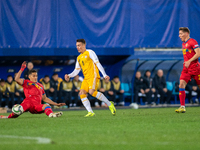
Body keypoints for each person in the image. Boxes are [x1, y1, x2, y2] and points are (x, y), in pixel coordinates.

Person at [65, 39, 116, 117]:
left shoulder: (90, 52)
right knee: (82, 93)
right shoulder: (79, 57)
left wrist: (104, 75)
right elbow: (76, 71)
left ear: (84, 45)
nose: (77, 47)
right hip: (86, 78)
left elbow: (98, 63)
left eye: (79, 45)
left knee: (91, 92)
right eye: (76, 46)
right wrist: (69, 75)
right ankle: (90, 112)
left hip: (93, 76)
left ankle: (109, 104)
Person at [0, 62, 65, 119]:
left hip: (37, 105)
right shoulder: (26, 82)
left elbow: (45, 98)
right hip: (27, 103)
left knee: (47, 106)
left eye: (36, 76)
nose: (35, 77)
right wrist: (22, 69)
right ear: (29, 76)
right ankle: (5, 117)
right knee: (17, 111)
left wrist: (56, 104)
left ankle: (51, 115)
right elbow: (16, 79)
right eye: (33, 76)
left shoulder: (40, 85)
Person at [175, 27, 200, 113]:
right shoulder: (183, 44)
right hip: (186, 68)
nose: (179, 36)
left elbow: (198, 53)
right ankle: (182, 106)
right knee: (181, 84)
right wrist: (186, 62)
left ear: (186, 34)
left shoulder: (193, 42)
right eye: (179, 34)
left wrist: (189, 61)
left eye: (181, 34)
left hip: (195, 68)